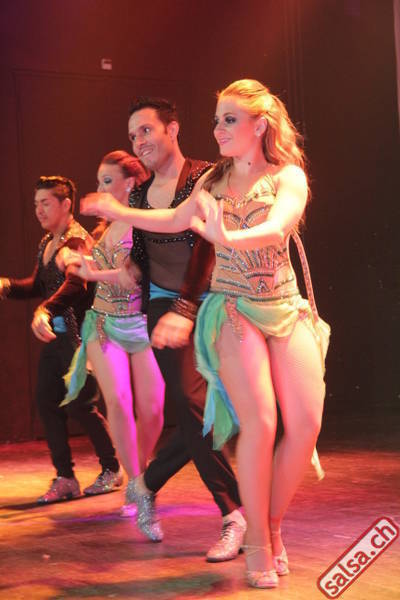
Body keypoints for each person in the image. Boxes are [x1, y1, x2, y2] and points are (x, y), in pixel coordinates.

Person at [81, 80, 330, 589]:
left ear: (259, 124)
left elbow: (278, 227)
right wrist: (118, 211)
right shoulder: (214, 179)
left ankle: (270, 522)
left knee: (305, 424)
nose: (218, 129)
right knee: (260, 421)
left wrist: (226, 236)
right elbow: (175, 218)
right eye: (216, 120)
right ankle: (255, 538)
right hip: (230, 309)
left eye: (229, 119)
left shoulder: (287, 175)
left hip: (284, 305)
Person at [81, 98, 245, 558]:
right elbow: (143, 254)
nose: (139, 141)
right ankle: (234, 514)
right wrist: (126, 268)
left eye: (146, 130)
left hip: (214, 304)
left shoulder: (206, 176)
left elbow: (205, 247)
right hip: (162, 307)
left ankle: (147, 482)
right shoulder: (138, 196)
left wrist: (188, 307)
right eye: (133, 135)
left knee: (221, 412)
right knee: (193, 405)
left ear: (172, 130)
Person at [0, 176, 122, 503]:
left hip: (79, 339)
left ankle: (112, 468)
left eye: (46, 203)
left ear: (66, 205)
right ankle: (66, 477)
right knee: (46, 401)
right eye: (36, 204)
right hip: (57, 339)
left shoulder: (75, 242)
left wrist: (45, 309)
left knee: (81, 405)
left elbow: (76, 284)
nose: (38, 210)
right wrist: (5, 285)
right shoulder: (47, 242)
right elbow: (38, 284)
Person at [60, 151, 165, 517]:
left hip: (142, 325)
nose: (101, 189)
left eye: (108, 181)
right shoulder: (106, 228)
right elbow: (100, 268)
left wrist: (90, 272)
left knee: (154, 410)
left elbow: (132, 276)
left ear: (130, 183)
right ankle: (135, 481)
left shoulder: (145, 224)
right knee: (119, 402)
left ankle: (141, 472)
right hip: (104, 324)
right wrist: (76, 261)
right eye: (99, 181)